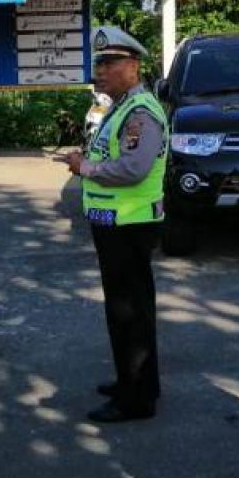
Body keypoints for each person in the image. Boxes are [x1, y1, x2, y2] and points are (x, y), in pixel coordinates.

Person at [59, 26, 168, 423]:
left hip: (129, 226)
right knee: (125, 311)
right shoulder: (120, 107)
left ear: (134, 66)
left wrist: (83, 167)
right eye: (98, 63)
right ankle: (133, 381)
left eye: (109, 62)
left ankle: (136, 399)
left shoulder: (140, 112)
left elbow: (134, 169)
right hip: (115, 225)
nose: (99, 70)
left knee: (130, 313)